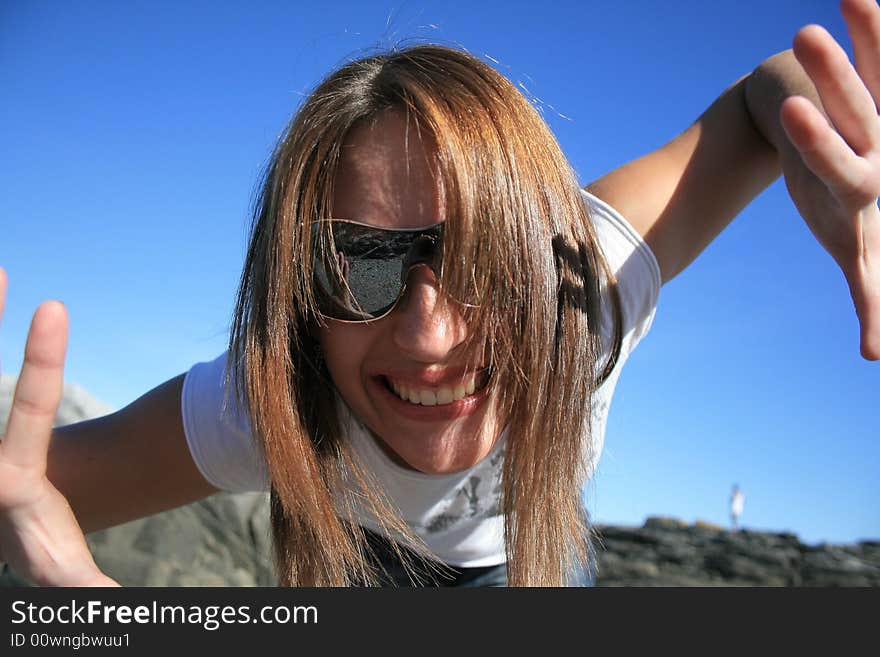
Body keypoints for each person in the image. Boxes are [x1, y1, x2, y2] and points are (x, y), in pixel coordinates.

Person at [0, 0, 877, 587]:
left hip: (538, 554)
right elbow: (27, 490)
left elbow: (765, 96)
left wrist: (834, 142)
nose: (427, 334)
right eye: (358, 264)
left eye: (485, 259)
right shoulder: (275, 400)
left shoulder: (588, 288)